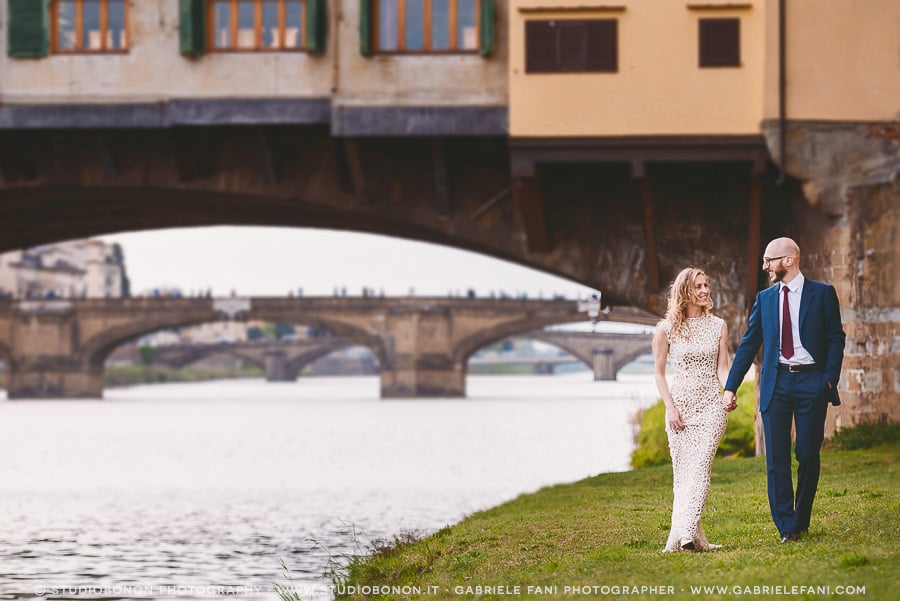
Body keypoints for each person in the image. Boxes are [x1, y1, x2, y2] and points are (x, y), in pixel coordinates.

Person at [723, 237, 845, 544]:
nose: (764, 266)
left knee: (807, 454)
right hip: (775, 383)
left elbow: (835, 338)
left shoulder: (822, 294)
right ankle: (787, 528)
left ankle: (801, 518)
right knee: (776, 459)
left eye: (769, 260)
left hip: (811, 383)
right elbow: (749, 344)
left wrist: (828, 380)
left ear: (788, 260)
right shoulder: (765, 298)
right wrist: (730, 387)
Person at [652, 267, 732, 552]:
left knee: (700, 467)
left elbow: (723, 368)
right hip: (680, 408)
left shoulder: (719, 325)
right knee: (684, 474)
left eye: (706, 285)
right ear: (685, 291)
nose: (705, 291)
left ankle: (684, 534)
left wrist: (729, 392)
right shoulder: (665, 329)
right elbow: (659, 374)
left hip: (712, 406)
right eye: (698, 286)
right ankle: (696, 540)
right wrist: (671, 409)